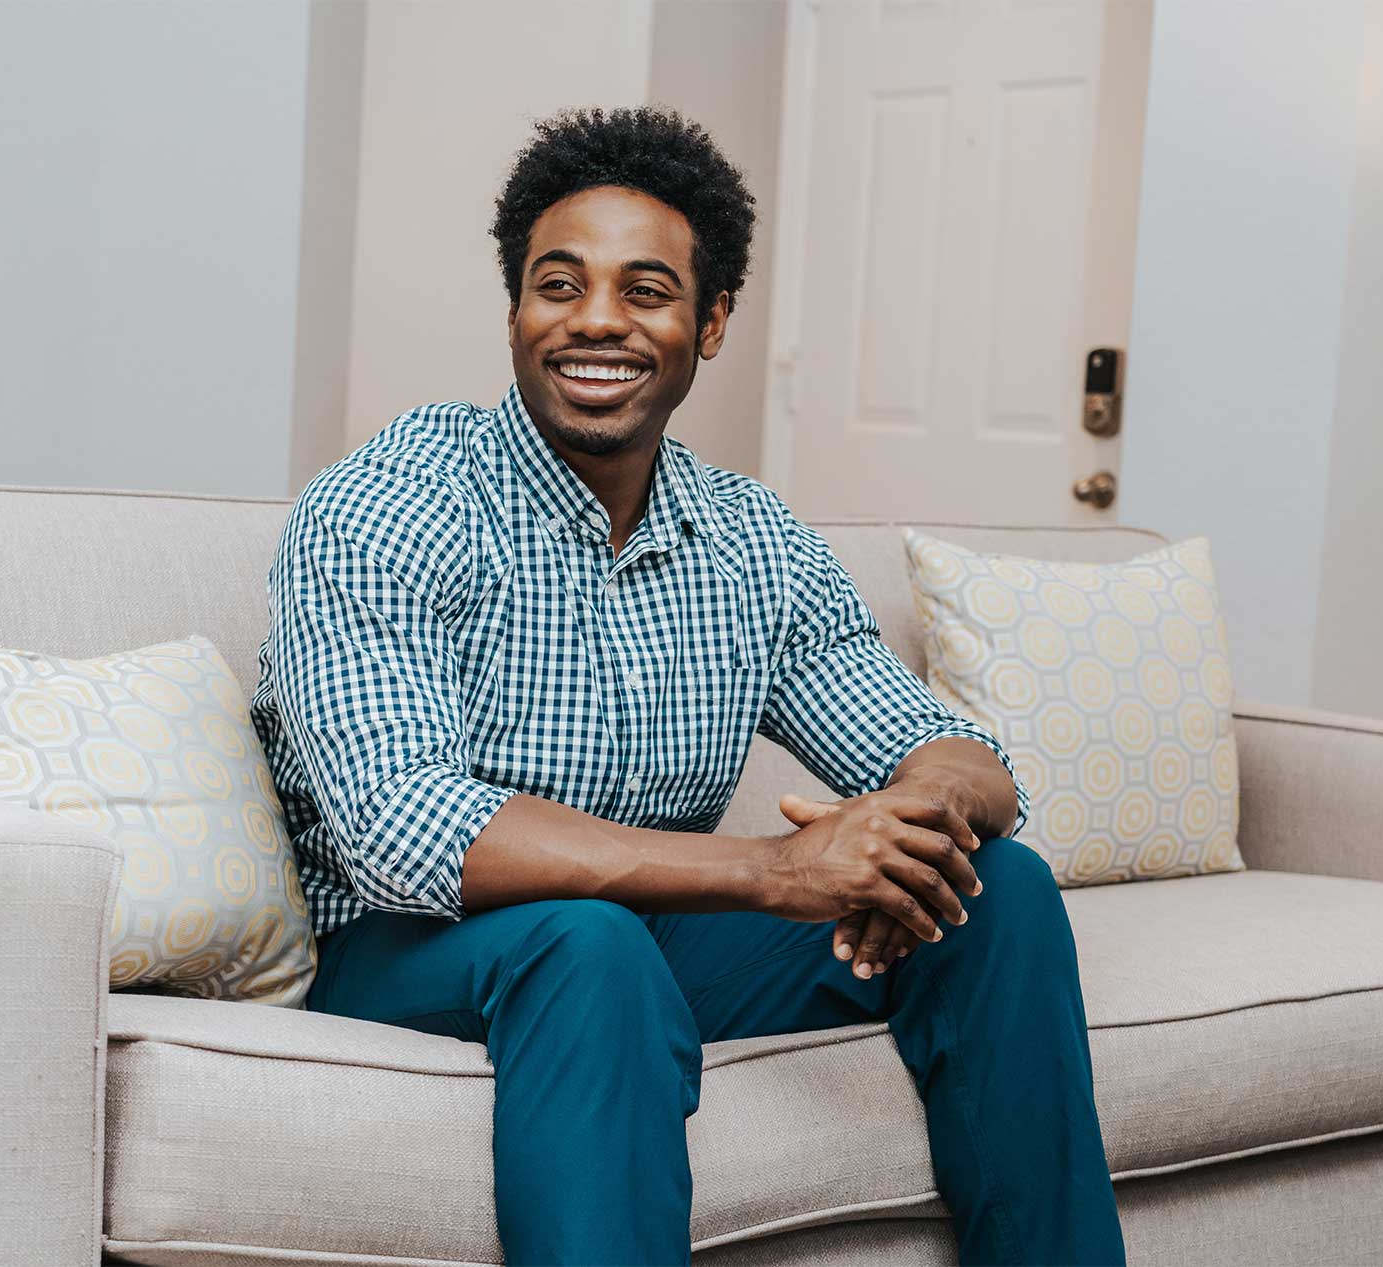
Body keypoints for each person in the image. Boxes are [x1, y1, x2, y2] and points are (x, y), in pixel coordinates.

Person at [248, 105, 1125, 1267]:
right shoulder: (392, 504)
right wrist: (774, 867)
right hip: (407, 946)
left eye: (645, 290)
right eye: (558, 286)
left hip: (647, 931)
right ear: (515, 310)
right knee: (587, 945)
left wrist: (913, 818)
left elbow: (946, 750)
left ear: (710, 324)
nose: (596, 320)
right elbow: (402, 827)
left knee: (989, 887)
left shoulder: (747, 536)